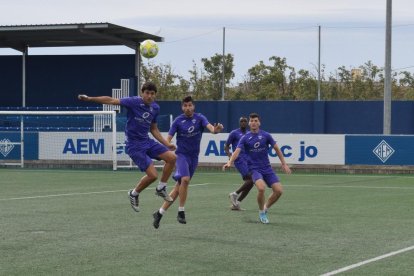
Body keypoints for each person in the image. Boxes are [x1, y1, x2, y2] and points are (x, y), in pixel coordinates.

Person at [78, 81, 176, 212]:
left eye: (152, 94)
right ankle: (134, 193)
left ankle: (161, 188)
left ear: (155, 95)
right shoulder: (133, 102)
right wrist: (90, 99)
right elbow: (112, 100)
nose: (149, 96)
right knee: (152, 175)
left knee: (172, 158)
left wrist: (166, 143)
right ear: (142, 93)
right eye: (147, 93)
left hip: (147, 141)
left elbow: (154, 129)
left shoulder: (155, 108)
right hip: (134, 145)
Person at [152, 96, 223, 229]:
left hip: (194, 158)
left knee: (179, 188)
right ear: (182, 107)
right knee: (185, 180)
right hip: (181, 155)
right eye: (185, 106)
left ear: (193, 106)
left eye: (190, 105)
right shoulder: (178, 121)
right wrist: (168, 146)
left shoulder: (200, 118)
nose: (187, 108)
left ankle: (159, 213)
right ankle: (181, 211)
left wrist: (216, 130)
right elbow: (168, 137)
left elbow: (212, 129)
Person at [223, 112, 291, 224]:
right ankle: (261, 213)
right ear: (249, 123)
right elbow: (237, 151)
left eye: (255, 121)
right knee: (261, 188)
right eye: (251, 121)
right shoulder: (245, 138)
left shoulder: (266, 135)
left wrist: (284, 163)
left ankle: (265, 208)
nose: (253, 123)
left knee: (279, 191)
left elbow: (277, 149)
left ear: (259, 122)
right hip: (254, 169)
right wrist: (230, 161)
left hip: (267, 168)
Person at [224, 117, 254, 210]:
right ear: (239, 123)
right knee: (251, 179)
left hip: (248, 160)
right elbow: (226, 146)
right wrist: (230, 157)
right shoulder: (234, 133)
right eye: (241, 121)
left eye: (245, 121)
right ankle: (235, 194)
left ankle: (236, 204)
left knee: (251, 182)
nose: (243, 123)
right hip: (239, 160)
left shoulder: (249, 134)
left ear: (247, 123)